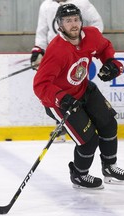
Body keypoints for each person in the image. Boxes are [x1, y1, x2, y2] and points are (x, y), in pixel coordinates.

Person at [33, 4, 124, 189]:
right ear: (60, 25)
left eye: (76, 20)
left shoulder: (91, 35)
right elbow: (40, 85)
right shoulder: (56, 50)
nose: (74, 25)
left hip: (84, 88)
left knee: (109, 124)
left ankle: (110, 167)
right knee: (88, 140)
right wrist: (61, 98)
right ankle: (79, 175)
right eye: (68, 21)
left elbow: (105, 47)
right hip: (60, 102)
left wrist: (110, 62)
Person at [31, 0, 103, 141]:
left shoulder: (80, 2)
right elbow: (42, 31)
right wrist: (38, 51)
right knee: (55, 89)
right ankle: (63, 124)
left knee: (73, 86)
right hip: (55, 55)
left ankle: (78, 123)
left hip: (75, 53)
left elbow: (97, 23)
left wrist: (85, 41)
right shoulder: (46, 5)